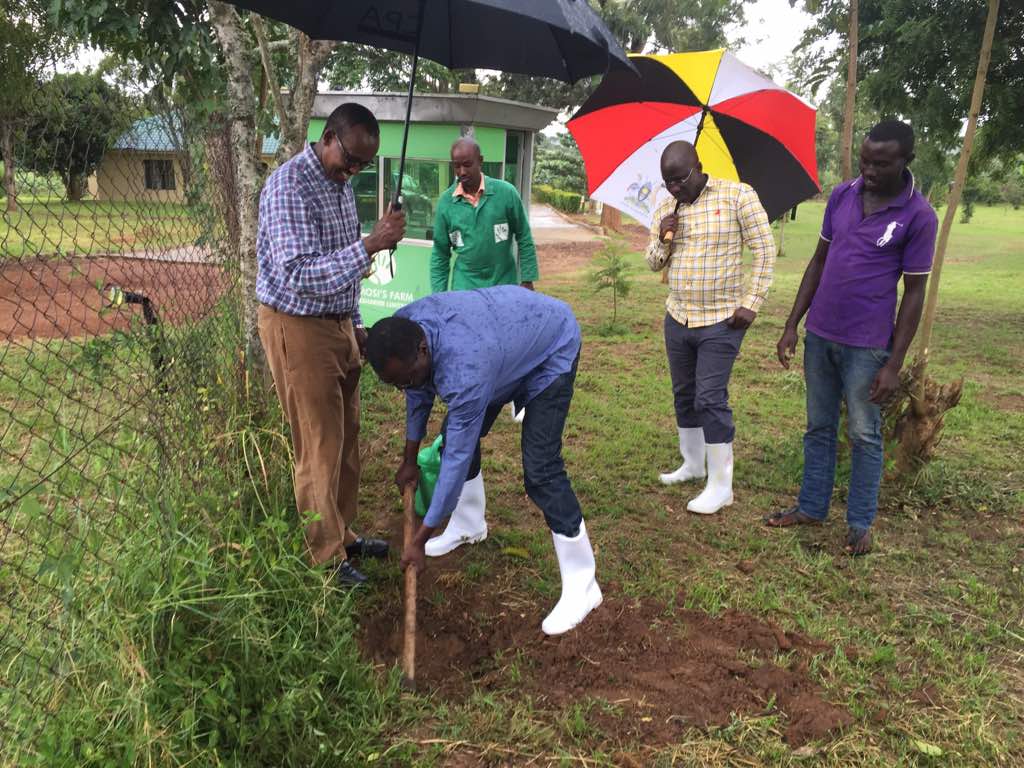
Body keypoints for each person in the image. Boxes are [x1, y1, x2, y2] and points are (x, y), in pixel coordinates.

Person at [365, 286, 601, 636]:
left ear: (423, 350)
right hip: (502, 344)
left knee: (541, 470)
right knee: (452, 436)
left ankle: (584, 585)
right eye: (396, 384)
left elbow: (457, 459)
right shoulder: (404, 329)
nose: (406, 387)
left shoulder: (465, 370)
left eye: (408, 379)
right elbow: (416, 392)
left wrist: (420, 538)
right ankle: (469, 525)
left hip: (551, 346)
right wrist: (409, 459)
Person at [766, 120, 937, 555]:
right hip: (821, 334)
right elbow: (819, 261)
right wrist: (792, 324)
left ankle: (860, 524)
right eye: (865, 161)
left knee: (864, 433)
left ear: (906, 161)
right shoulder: (842, 195)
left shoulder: (919, 216)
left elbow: (914, 293)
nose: (870, 171)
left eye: (882, 164)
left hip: (868, 345)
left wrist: (894, 364)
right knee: (818, 427)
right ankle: (811, 507)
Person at [256, 103, 406, 586]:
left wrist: (355, 322)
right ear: (327, 137)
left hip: (339, 324)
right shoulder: (289, 186)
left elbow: (343, 270)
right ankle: (324, 556)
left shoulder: (339, 185)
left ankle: (343, 533)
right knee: (318, 442)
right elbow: (298, 275)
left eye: (364, 164)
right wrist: (370, 244)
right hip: (298, 326)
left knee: (346, 436)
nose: (354, 171)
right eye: (350, 159)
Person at [422, 136, 540, 555]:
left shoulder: (505, 194)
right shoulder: (446, 204)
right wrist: (439, 297)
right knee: (473, 366)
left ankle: (518, 398)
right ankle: (469, 519)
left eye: (467, 165)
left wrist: (527, 282)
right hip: (466, 296)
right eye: (455, 166)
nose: (461, 172)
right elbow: (440, 254)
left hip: (504, 292)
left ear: (481, 162)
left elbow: (524, 237)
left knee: (515, 355)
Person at [645, 140, 775, 515]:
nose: (675, 188)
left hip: (721, 320)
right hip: (678, 316)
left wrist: (751, 303)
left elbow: (764, 251)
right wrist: (662, 237)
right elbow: (653, 263)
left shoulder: (737, 196)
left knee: (709, 399)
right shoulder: (667, 207)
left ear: (699, 167)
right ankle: (692, 464)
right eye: (668, 182)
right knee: (684, 394)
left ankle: (721, 485)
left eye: (680, 179)